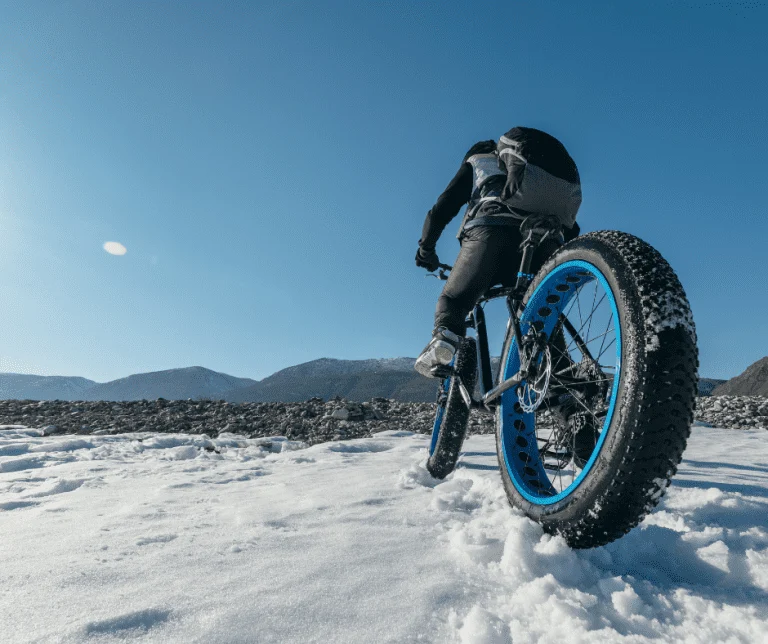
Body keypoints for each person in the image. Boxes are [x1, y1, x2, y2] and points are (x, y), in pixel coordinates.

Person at [414, 127, 582, 378]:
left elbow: (441, 210)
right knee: (543, 324)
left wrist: (425, 250)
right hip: (545, 240)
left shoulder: (478, 162)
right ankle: (569, 394)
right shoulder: (534, 173)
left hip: (492, 232)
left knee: (454, 301)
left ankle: (445, 340)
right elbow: (572, 228)